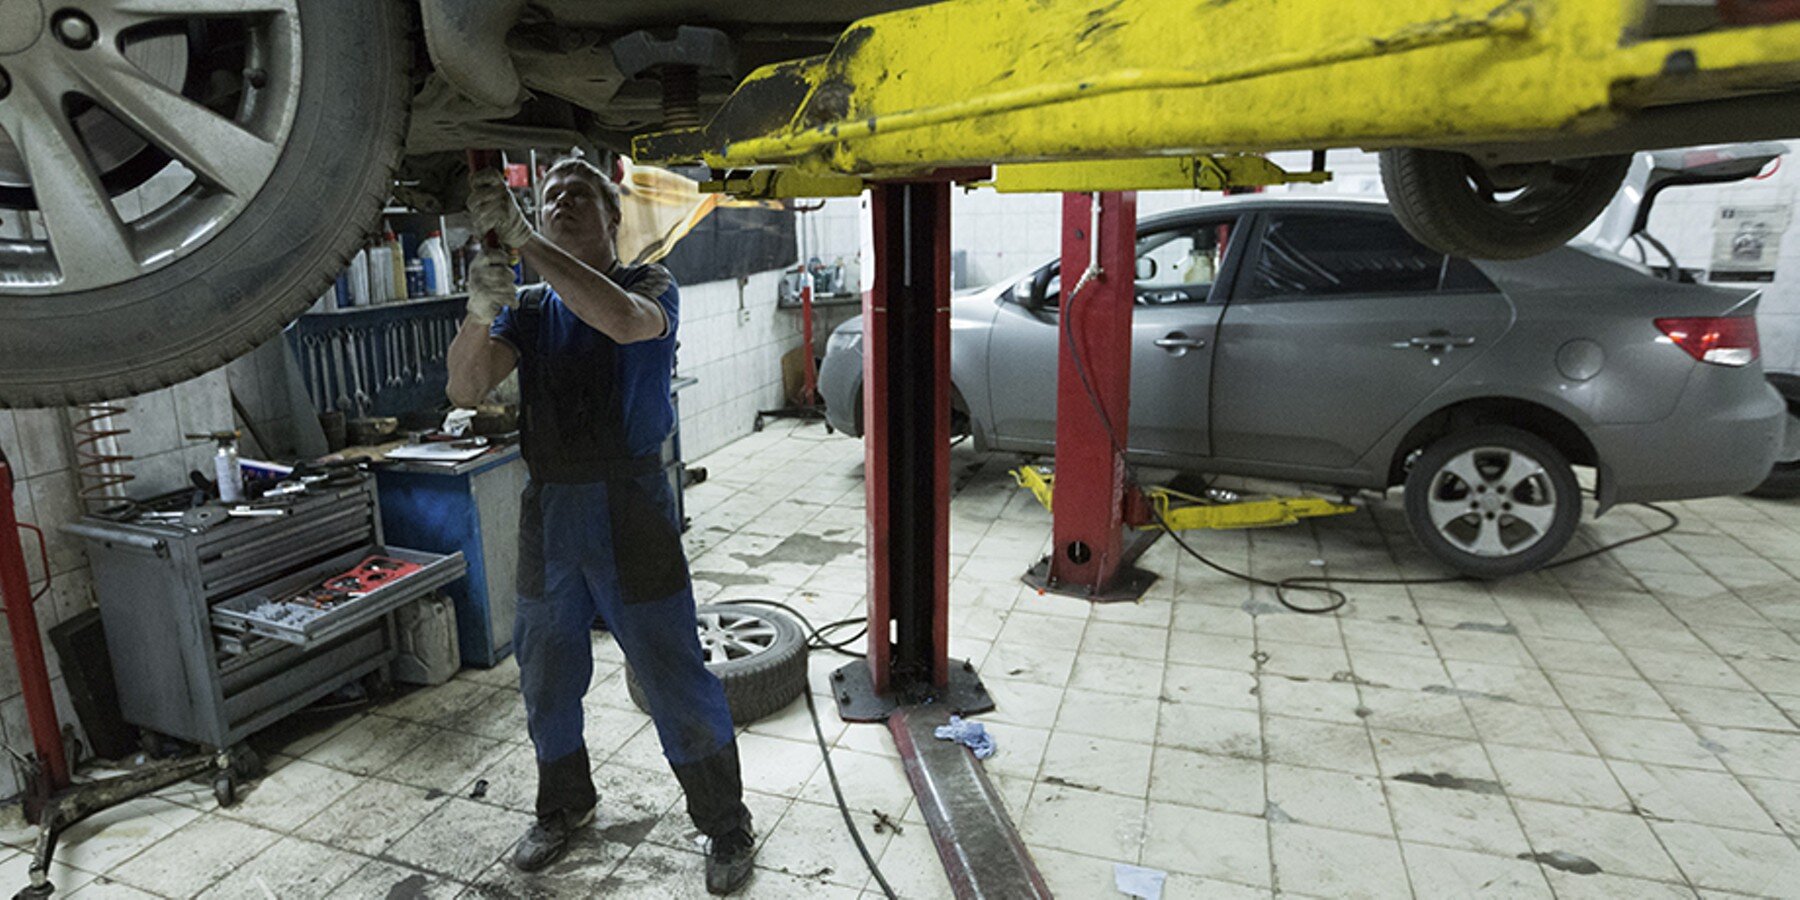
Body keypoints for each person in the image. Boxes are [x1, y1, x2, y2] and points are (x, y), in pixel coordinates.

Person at [445, 157, 756, 894]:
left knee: (671, 671)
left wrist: (524, 241)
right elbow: (463, 387)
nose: (561, 201)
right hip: (551, 512)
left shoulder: (649, 284)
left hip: (630, 507)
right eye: (550, 195)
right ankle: (564, 807)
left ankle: (725, 825)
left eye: (579, 193)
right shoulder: (527, 306)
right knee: (546, 674)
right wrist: (479, 311)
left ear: (614, 217)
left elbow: (618, 322)